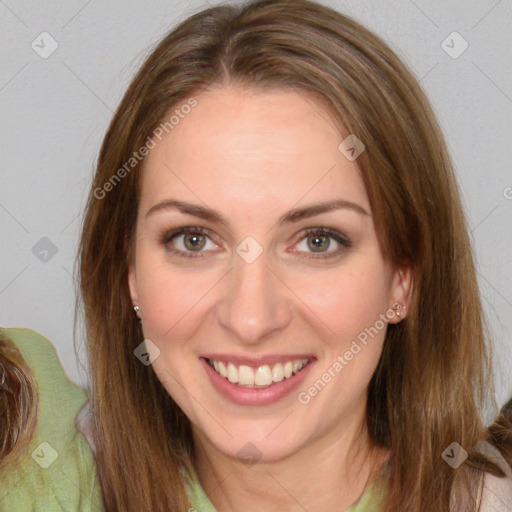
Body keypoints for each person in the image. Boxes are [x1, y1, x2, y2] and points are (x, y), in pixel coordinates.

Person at [1, 0, 512, 510]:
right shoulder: (37, 462)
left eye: (318, 241)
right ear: (129, 271)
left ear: (403, 277)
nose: (250, 318)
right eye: (193, 240)